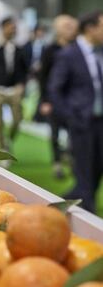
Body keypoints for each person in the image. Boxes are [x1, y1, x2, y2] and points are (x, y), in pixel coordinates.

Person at [49, 11, 103, 213]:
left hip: (100, 121)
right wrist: (70, 117)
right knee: (84, 167)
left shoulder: (99, 52)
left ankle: (78, 198)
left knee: (97, 166)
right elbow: (55, 89)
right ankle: (87, 213)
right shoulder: (68, 54)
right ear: (90, 28)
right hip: (81, 121)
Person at [38, 15, 78, 179]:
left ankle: (71, 159)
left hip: (73, 100)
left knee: (74, 134)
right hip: (54, 99)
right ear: (58, 29)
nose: (70, 29)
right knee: (55, 134)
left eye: (71, 25)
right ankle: (57, 165)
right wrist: (45, 100)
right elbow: (43, 76)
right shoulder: (50, 50)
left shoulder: (77, 48)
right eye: (66, 26)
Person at [0, 17, 28, 151]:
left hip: (14, 89)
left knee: (17, 119)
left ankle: (9, 139)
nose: (13, 30)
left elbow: (24, 69)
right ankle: (2, 148)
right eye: (11, 27)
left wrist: (22, 85)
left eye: (14, 27)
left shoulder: (18, 48)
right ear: (3, 28)